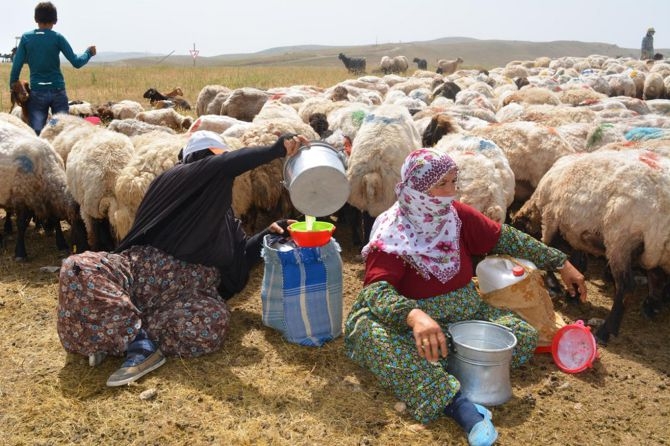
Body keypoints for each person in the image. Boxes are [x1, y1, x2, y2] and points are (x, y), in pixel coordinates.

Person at [343, 149, 587, 446]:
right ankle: (460, 407)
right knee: (373, 336)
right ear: (417, 188)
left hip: (463, 311)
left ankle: (440, 364)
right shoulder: (394, 231)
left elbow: (505, 237)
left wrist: (560, 262)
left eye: (453, 181)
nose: (451, 192)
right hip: (407, 319)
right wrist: (415, 317)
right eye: (441, 184)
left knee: (520, 335)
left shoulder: (455, 215)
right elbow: (376, 291)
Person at [56, 130, 310, 387]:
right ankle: (139, 343)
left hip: (187, 296)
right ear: (198, 160)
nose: (223, 175)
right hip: (137, 275)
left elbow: (239, 260)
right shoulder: (174, 180)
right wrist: (276, 150)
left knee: (213, 322)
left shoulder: (225, 219)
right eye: (216, 161)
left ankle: (113, 331)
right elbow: (220, 166)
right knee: (78, 267)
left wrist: (269, 233)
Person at [9, 2, 96, 135]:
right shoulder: (58, 38)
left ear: (35, 19)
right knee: (60, 129)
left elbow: (16, 64)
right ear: (55, 20)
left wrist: (13, 84)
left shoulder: (26, 38)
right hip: (58, 93)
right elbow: (77, 62)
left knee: (38, 131)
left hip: (38, 94)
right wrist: (88, 53)